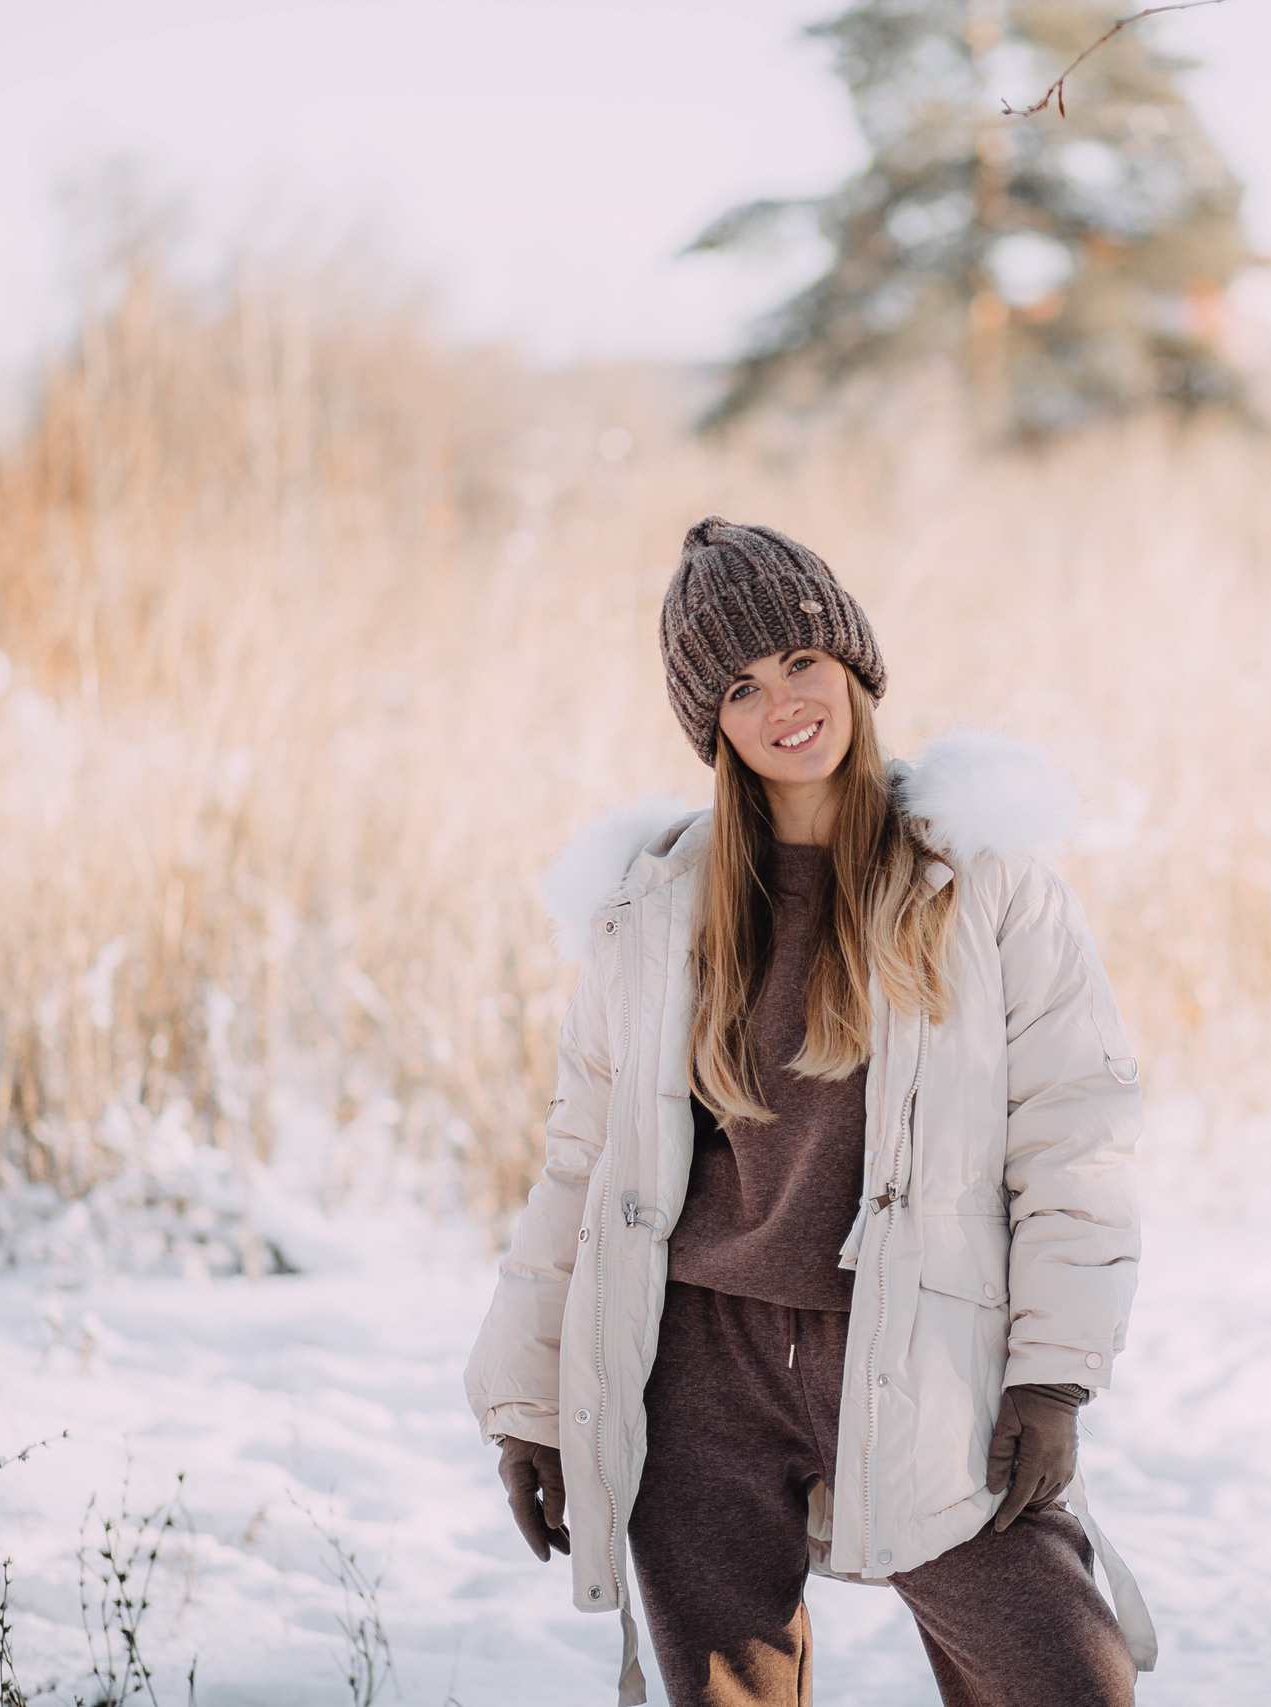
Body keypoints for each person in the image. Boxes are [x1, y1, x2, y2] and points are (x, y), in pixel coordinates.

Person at [463, 516, 1154, 1707]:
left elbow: (1073, 1133)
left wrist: (1052, 1374)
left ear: (853, 665)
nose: (783, 702)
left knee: (1066, 1680)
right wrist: (527, 1403)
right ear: (711, 725)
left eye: (800, 661)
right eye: (738, 686)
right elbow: (581, 1164)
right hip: (697, 1370)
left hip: (916, 1348)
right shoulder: (655, 913)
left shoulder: (978, 882)